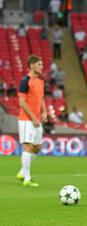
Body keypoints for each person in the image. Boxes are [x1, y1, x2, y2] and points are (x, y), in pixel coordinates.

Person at [16, 55, 47, 187]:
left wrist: (44, 111)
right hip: (26, 120)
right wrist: (33, 117)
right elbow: (22, 102)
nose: (42, 67)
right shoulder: (25, 81)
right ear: (32, 65)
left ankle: (22, 172)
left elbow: (41, 98)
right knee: (28, 146)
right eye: (39, 64)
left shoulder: (40, 82)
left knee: (37, 147)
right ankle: (27, 178)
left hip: (36, 120)